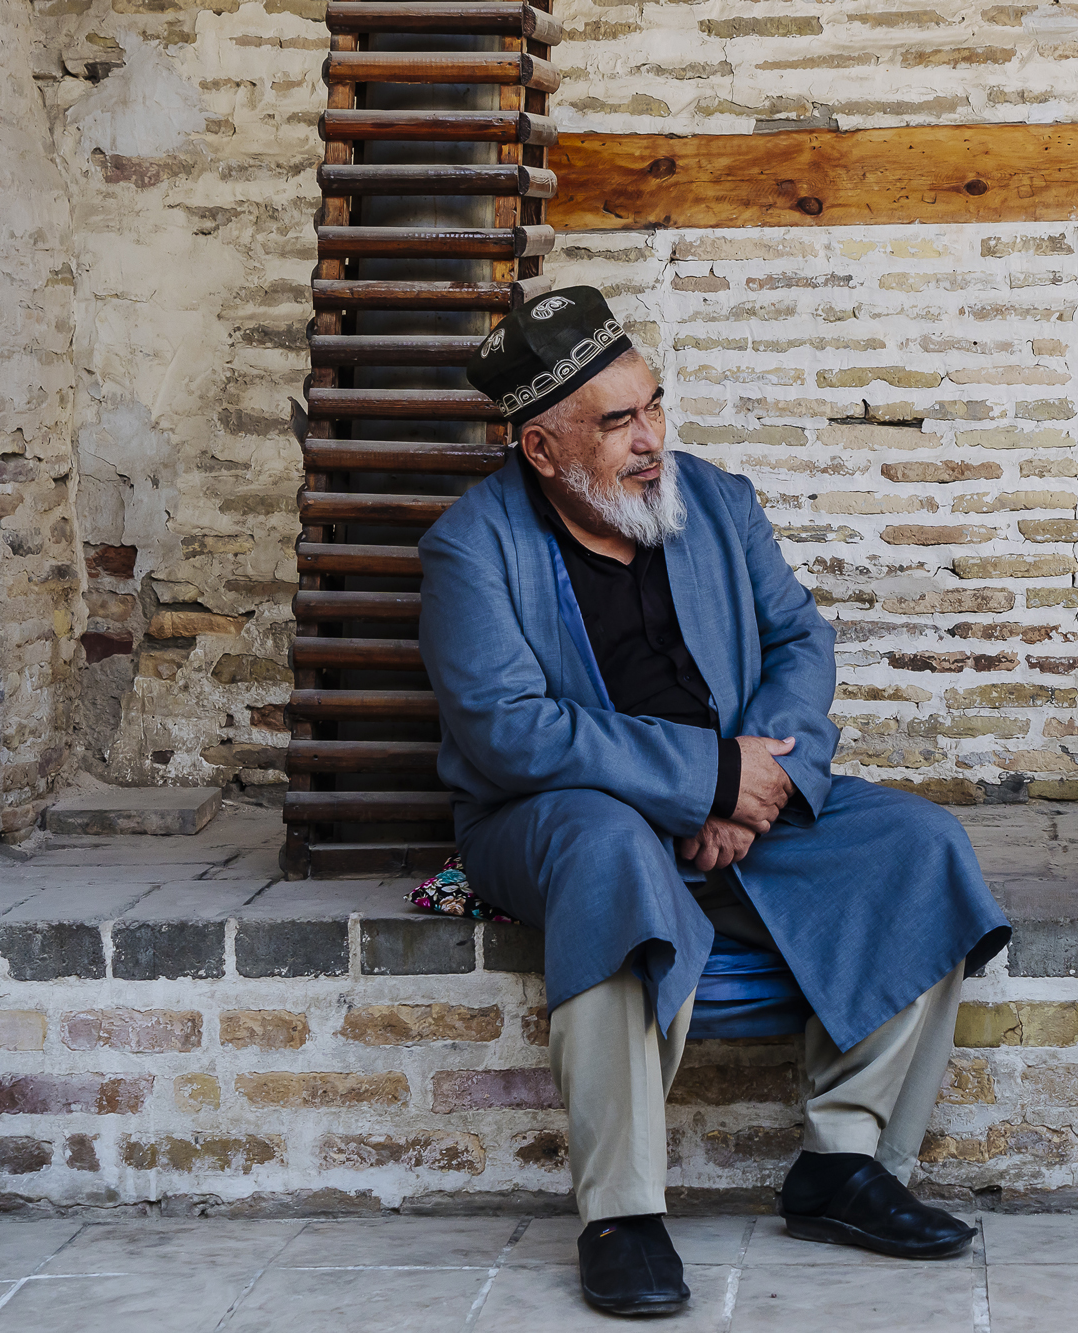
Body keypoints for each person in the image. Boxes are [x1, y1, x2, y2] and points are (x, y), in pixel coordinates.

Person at [421, 287, 1011, 1317]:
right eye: (616, 423)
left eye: (652, 406)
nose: (650, 441)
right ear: (541, 450)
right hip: (554, 817)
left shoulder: (716, 500)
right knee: (609, 849)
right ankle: (621, 1211)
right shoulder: (471, 547)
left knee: (916, 843)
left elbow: (798, 643)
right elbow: (511, 730)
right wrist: (706, 777)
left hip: (745, 795)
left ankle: (841, 1159)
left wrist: (753, 786)